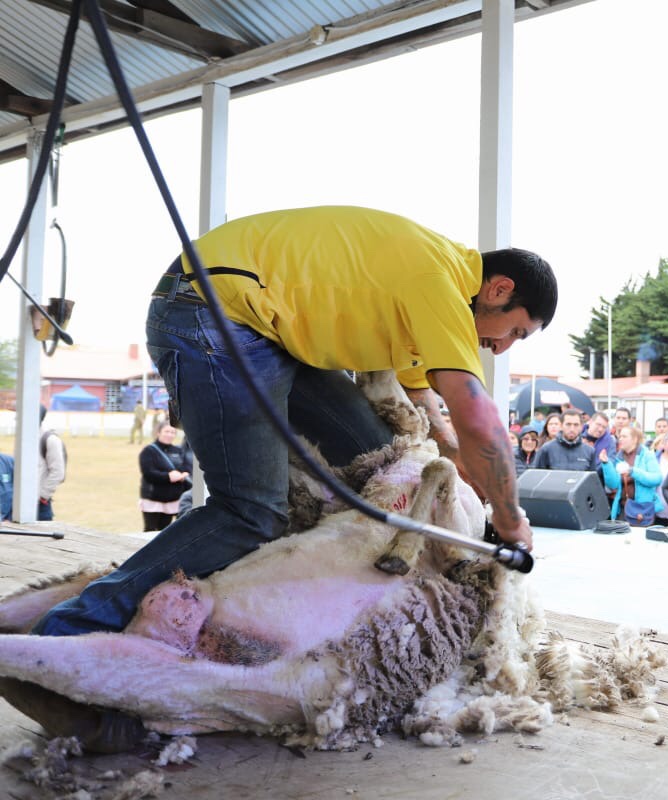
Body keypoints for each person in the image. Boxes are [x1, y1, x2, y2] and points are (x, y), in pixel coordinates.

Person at [5, 206, 557, 752]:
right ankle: (71, 627)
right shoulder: (438, 281)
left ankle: (235, 468)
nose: (503, 346)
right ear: (498, 288)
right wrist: (511, 524)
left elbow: (437, 419)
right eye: (516, 331)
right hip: (212, 314)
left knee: (377, 453)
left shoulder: (434, 301)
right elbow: (478, 417)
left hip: (272, 334)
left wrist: (470, 483)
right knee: (252, 508)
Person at [598, 424, 662, 526]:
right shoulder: (618, 457)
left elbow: (656, 479)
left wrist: (633, 472)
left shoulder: (647, 455)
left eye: (624, 436)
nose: (620, 439)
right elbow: (613, 484)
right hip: (623, 508)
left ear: (635, 439)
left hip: (642, 510)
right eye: (620, 436)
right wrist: (606, 464)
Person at [137, 422, 193, 532]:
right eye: (167, 431)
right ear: (158, 433)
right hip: (153, 499)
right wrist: (168, 477)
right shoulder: (149, 451)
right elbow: (148, 473)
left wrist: (183, 474)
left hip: (172, 499)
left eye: (173, 432)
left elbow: (185, 467)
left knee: (165, 532)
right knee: (150, 531)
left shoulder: (178, 450)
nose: (170, 435)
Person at [37, 405, 65, 522]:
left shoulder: (50, 440)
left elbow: (58, 472)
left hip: (40, 505)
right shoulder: (24, 439)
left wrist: (43, 496)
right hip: (20, 503)